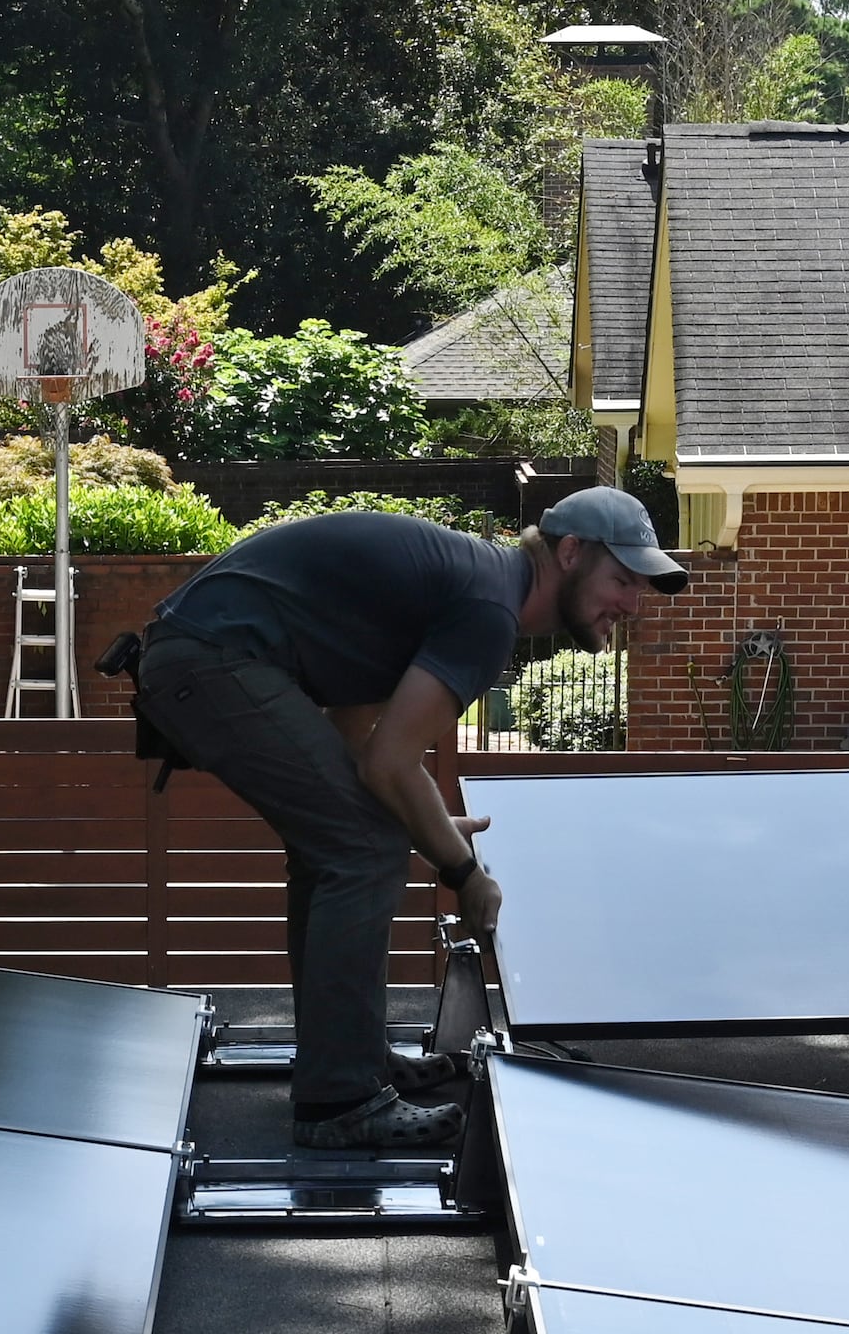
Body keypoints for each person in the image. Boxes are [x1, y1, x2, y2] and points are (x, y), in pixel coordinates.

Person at [129, 489, 680, 1148]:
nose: (631, 603)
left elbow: (364, 738)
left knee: (345, 841)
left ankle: (346, 1056)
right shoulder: (487, 608)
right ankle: (340, 1101)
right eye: (621, 579)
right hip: (213, 658)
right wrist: (463, 872)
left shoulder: (474, 585)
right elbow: (388, 764)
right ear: (569, 553)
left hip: (203, 654)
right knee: (362, 848)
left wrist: (441, 830)